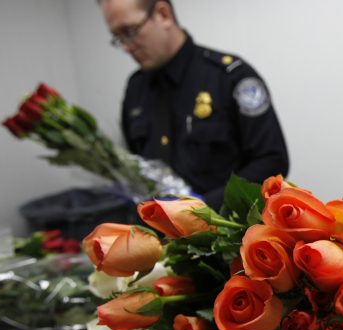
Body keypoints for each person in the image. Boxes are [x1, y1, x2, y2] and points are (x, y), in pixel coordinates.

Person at [98, 0, 289, 209]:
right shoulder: (136, 89)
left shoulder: (228, 77)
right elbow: (137, 166)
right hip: (161, 235)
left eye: (130, 31)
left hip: (228, 231)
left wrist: (204, 207)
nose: (126, 47)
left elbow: (272, 161)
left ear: (163, 15)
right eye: (118, 37)